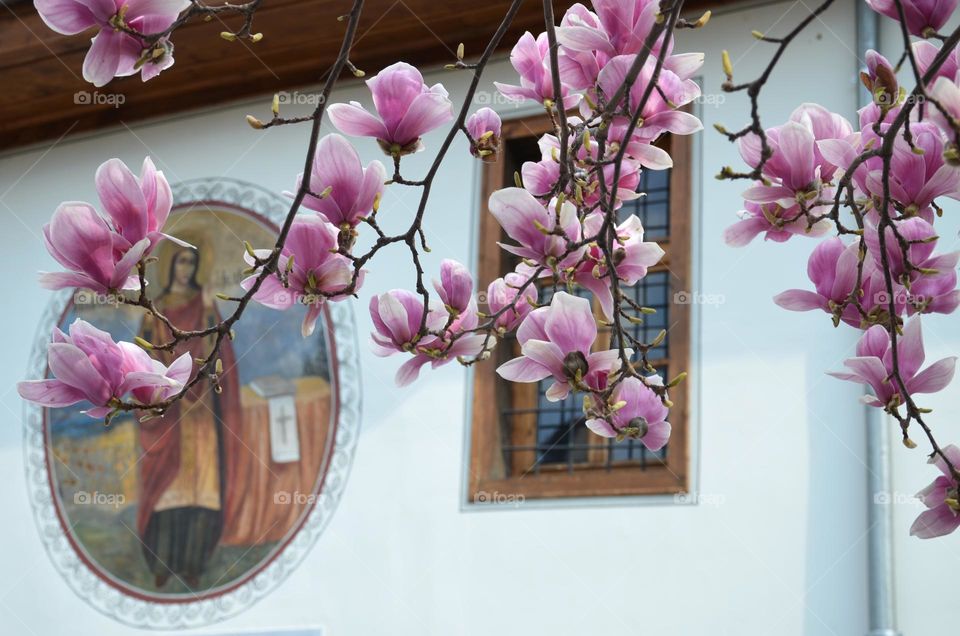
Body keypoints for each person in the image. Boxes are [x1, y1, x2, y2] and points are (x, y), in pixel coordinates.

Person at [136, 247, 242, 589]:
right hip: (169, 406)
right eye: (181, 261)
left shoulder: (208, 305)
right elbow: (144, 356)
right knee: (172, 490)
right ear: (170, 266)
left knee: (201, 489)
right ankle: (163, 565)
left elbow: (220, 349)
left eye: (191, 262)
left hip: (202, 408)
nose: (186, 268)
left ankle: (195, 564)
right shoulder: (156, 309)